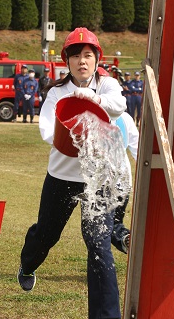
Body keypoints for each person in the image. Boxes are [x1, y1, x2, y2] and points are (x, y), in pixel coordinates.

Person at [18, 27, 127, 319]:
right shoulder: (56, 92)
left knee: (98, 245)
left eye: (88, 55)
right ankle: (28, 264)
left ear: (96, 59)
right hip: (62, 176)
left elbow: (120, 105)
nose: (82, 61)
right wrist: (69, 127)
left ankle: (106, 315)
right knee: (46, 234)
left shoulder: (108, 85)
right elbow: (45, 130)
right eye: (76, 55)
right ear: (67, 61)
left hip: (98, 180)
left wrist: (94, 100)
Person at [111, 111, 139, 254]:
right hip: (123, 181)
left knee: (101, 228)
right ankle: (124, 238)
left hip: (105, 181)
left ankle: (124, 238)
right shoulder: (125, 117)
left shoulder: (92, 113)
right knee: (114, 223)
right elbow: (138, 150)